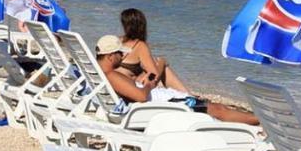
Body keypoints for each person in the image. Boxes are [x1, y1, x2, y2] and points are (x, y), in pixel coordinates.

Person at [94, 35, 258, 126]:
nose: (123, 56)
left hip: (163, 100)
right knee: (217, 109)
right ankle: (261, 121)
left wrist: (139, 81)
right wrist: (149, 85)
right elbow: (141, 97)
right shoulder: (111, 75)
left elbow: (129, 92)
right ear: (110, 56)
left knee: (215, 108)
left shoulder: (102, 73)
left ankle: (256, 119)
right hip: (165, 105)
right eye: (120, 53)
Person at [118, 7, 188, 92]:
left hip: (118, 85)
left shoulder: (116, 41)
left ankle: (186, 94)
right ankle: (186, 95)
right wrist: (162, 62)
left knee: (153, 63)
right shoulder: (139, 45)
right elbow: (153, 76)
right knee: (160, 62)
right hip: (133, 89)